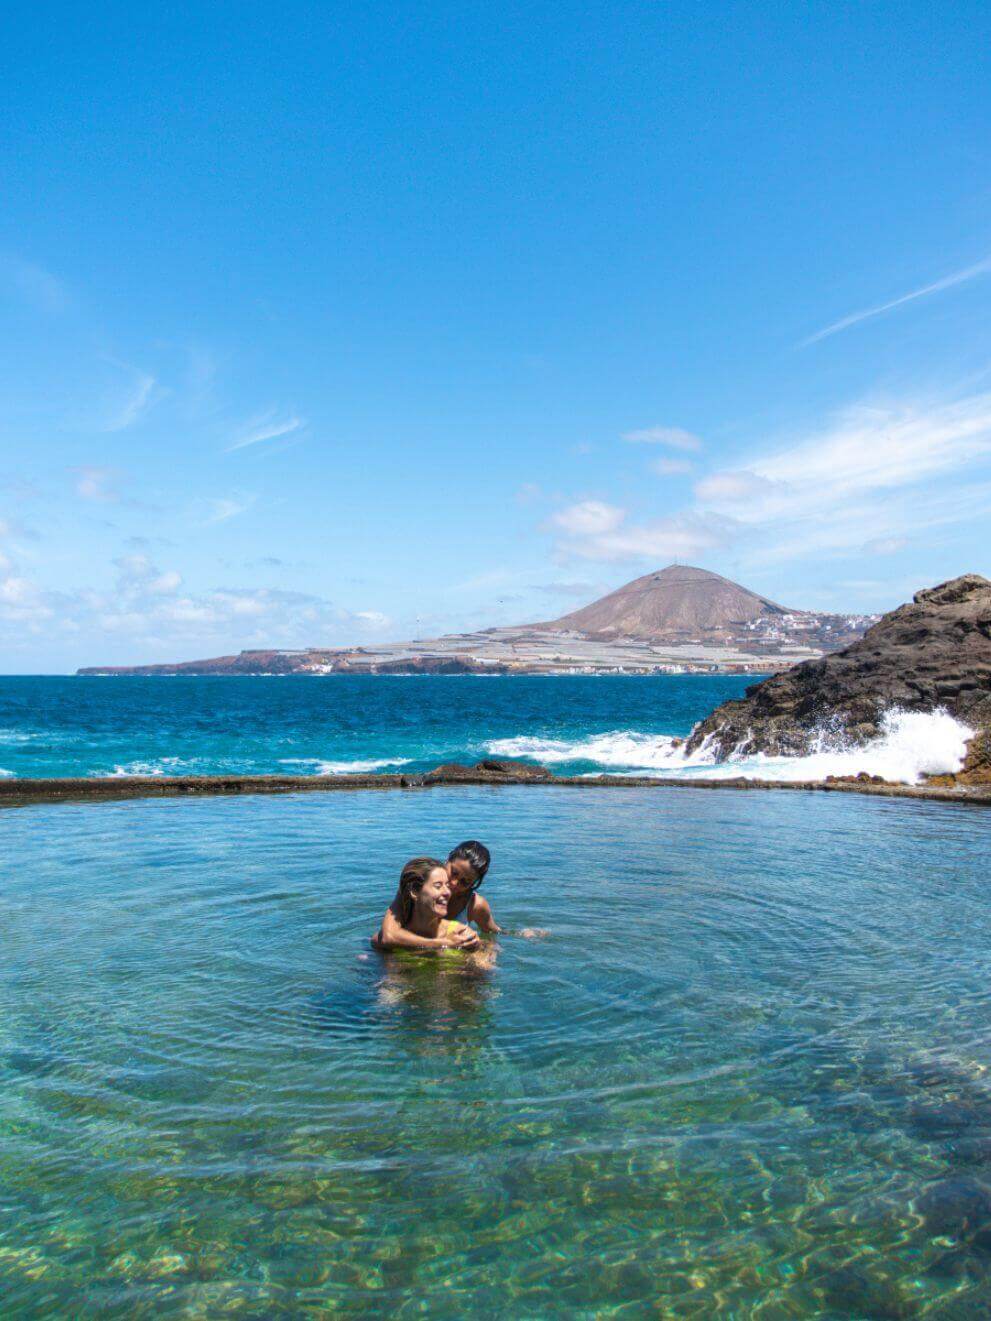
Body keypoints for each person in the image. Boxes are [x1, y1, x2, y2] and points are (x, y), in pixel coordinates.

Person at [371, 857, 481, 953]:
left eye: (447, 885)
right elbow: (387, 937)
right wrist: (442, 944)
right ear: (414, 891)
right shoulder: (389, 939)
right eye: (438, 886)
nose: (449, 891)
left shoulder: (462, 936)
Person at [444, 840, 501, 933]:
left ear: (473, 883)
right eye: (454, 873)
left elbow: (493, 933)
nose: (454, 883)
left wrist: (520, 934)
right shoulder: (422, 884)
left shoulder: (475, 905)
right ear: (447, 860)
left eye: (465, 882)